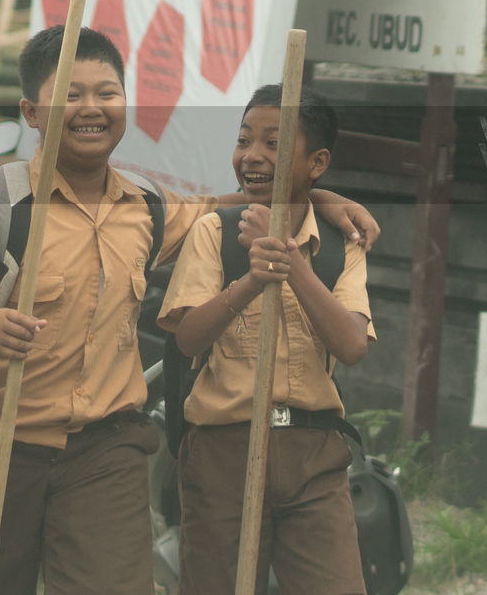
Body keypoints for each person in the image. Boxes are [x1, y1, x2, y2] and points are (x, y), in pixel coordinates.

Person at [0, 27, 379, 595]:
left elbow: (238, 203)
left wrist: (325, 197)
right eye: (71, 95)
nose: (91, 109)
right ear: (32, 112)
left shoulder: (147, 208)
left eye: (106, 93)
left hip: (105, 453)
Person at [158, 83, 374, 595]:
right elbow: (187, 339)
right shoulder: (214, 230)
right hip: (222, 453)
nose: (252, 156)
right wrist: (251, 280)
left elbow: (352, 345)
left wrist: (291, 263)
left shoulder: (340, 246)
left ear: (317, 162)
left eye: (274, 144)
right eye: (244, 140)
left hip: (314, 455)